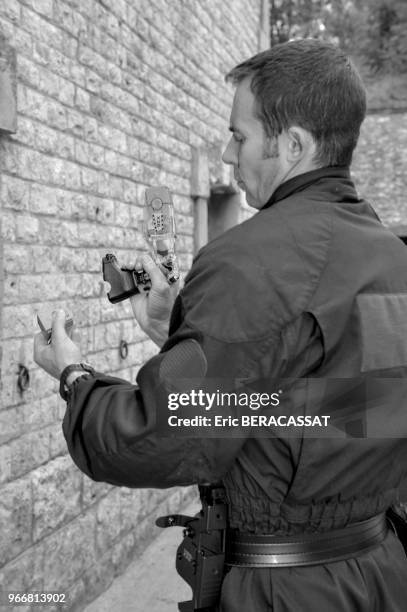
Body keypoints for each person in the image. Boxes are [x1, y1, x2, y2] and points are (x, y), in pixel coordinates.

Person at [34, 39, 407, 611]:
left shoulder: (251, 260)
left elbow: (163, 437)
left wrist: (74, 379)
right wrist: (177, 332)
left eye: (239, 136)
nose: (229, 157)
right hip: (380, 573)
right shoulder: (392, 260)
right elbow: (322, 404)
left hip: (285, 591)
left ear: (293, 145)